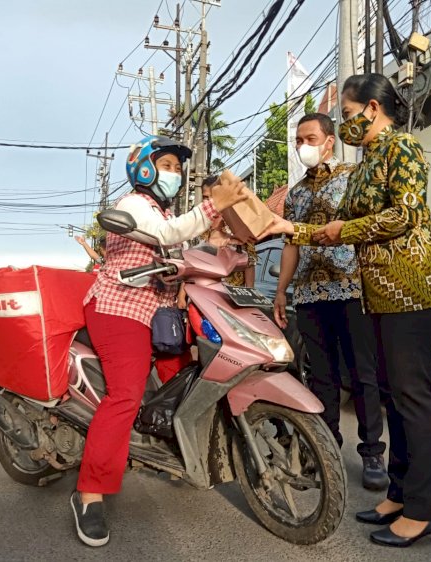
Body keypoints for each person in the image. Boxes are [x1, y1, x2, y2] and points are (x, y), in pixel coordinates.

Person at [262, 73, 431, 548]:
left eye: (348, 115)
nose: (346, 125)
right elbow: (337, 223)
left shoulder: (402, 148)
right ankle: (399, 493)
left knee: (412, 397)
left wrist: (337, 232)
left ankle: (424, 509)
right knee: (392, 392)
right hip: (381, 292)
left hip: (415, 285)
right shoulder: (371, 158)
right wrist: (290, 227)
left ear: (372, 109)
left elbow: (405, 216)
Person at [71, 135, 246, 547]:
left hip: (161, 314)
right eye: (166, 164)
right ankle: (89, 492)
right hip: (121, 308)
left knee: (187, 382)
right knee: (126, 396)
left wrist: (223, 248)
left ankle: (169, 451)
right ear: (144, 168)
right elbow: (166, 234)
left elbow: (178, 251)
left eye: (177, 167)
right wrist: (210, 207)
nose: (174, 172)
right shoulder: (133, 206)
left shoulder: (164, 213)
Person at [273, 112, 388, 491]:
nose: (302, 146)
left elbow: (372, 230)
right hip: (308, 296)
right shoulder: (296, 193)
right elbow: (291, 244)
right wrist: (281, 290)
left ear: (329, 141)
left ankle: (372, 452)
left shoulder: (354, 179)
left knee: (362, 375)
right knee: (319, 378)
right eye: (298, 140)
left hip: (353, 291)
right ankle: (325, 448)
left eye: (309, 138)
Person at [200, 174, 256, 287]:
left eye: (211, 197)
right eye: (205, 198)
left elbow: (249, 262)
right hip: (204, 288)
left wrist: (250, 291)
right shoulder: (200, 223)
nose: (209, 202)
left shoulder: (239, 224)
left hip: (233, 292)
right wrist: (182, 293)